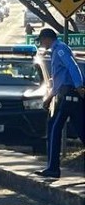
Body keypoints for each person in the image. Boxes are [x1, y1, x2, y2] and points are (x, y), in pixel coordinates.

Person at [36, 28, 85, 179]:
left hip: (68, 95)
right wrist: (51, 97)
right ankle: (52, 168)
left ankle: (53, 168)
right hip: (67, 95)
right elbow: (58, 79)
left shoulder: (60, 49)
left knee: (54, 128)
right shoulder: (58, 50)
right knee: (81, 130)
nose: (42, 43)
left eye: (42, 40)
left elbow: (72, 67)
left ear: (47, 38)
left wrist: (79, 86)